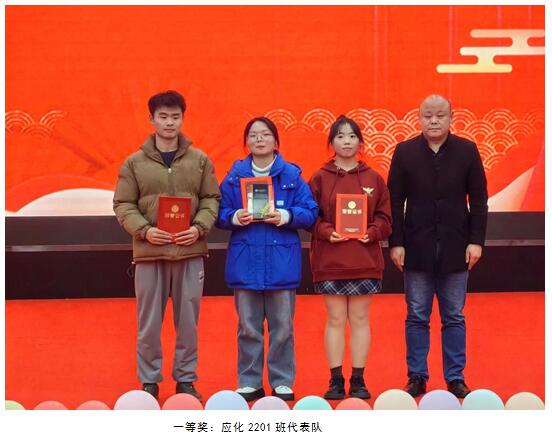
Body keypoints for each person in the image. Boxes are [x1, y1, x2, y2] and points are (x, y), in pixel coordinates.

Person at [113, 90, 220, 400]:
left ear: (182, 119)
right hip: (150, 254)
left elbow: (211, 199)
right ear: (151, 119)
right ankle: (149, 380)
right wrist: (145, 231)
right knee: (148, 324)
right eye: (163, 116)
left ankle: (186, 379)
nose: (169, 122)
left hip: (189, 252)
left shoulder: (200, 160)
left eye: (175, 116)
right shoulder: (134, 163)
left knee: (188, 323)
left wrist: (198, 228)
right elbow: (123, 204)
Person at [387, 94, 488, 398]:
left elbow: (479, 200)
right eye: (427, 115)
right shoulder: (405, 152)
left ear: (451, 118)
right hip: (415, 247)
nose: (433, 121)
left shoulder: (467, 150)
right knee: (417, 315)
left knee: (454, 316)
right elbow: (394, 201)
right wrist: (396, 242)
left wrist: (476, 241)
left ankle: (455, 377)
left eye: (440, 115)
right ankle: (417, 376)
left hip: (457, 246)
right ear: (419, 118)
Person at [217, 116, 318, 402]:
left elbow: (310, 212)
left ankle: (282, 380)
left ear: (276, 141)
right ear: (246, 142)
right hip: (245, 261)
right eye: (253, 135)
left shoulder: (292, 176)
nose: (259, 139)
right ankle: (249, 381)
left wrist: (286, 216)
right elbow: (219, 213)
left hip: (281, 263)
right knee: (247, 326)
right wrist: (234, 217)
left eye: (265, 134)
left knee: (282, 326)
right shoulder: (234, 177)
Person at [308, 115, 392, 400]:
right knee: (335, 318)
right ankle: (335, 380)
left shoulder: (373, 178)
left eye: (352, 136)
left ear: (360, 141)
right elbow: (309, 216)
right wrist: (326, 231)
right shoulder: (319, 177)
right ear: (331, 142)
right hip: (331, 261)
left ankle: (358, 379)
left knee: (359, 318)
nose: (346, 141)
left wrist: (373, 231)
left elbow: (385, 217)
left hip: (364, 260)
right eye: (340, 136)